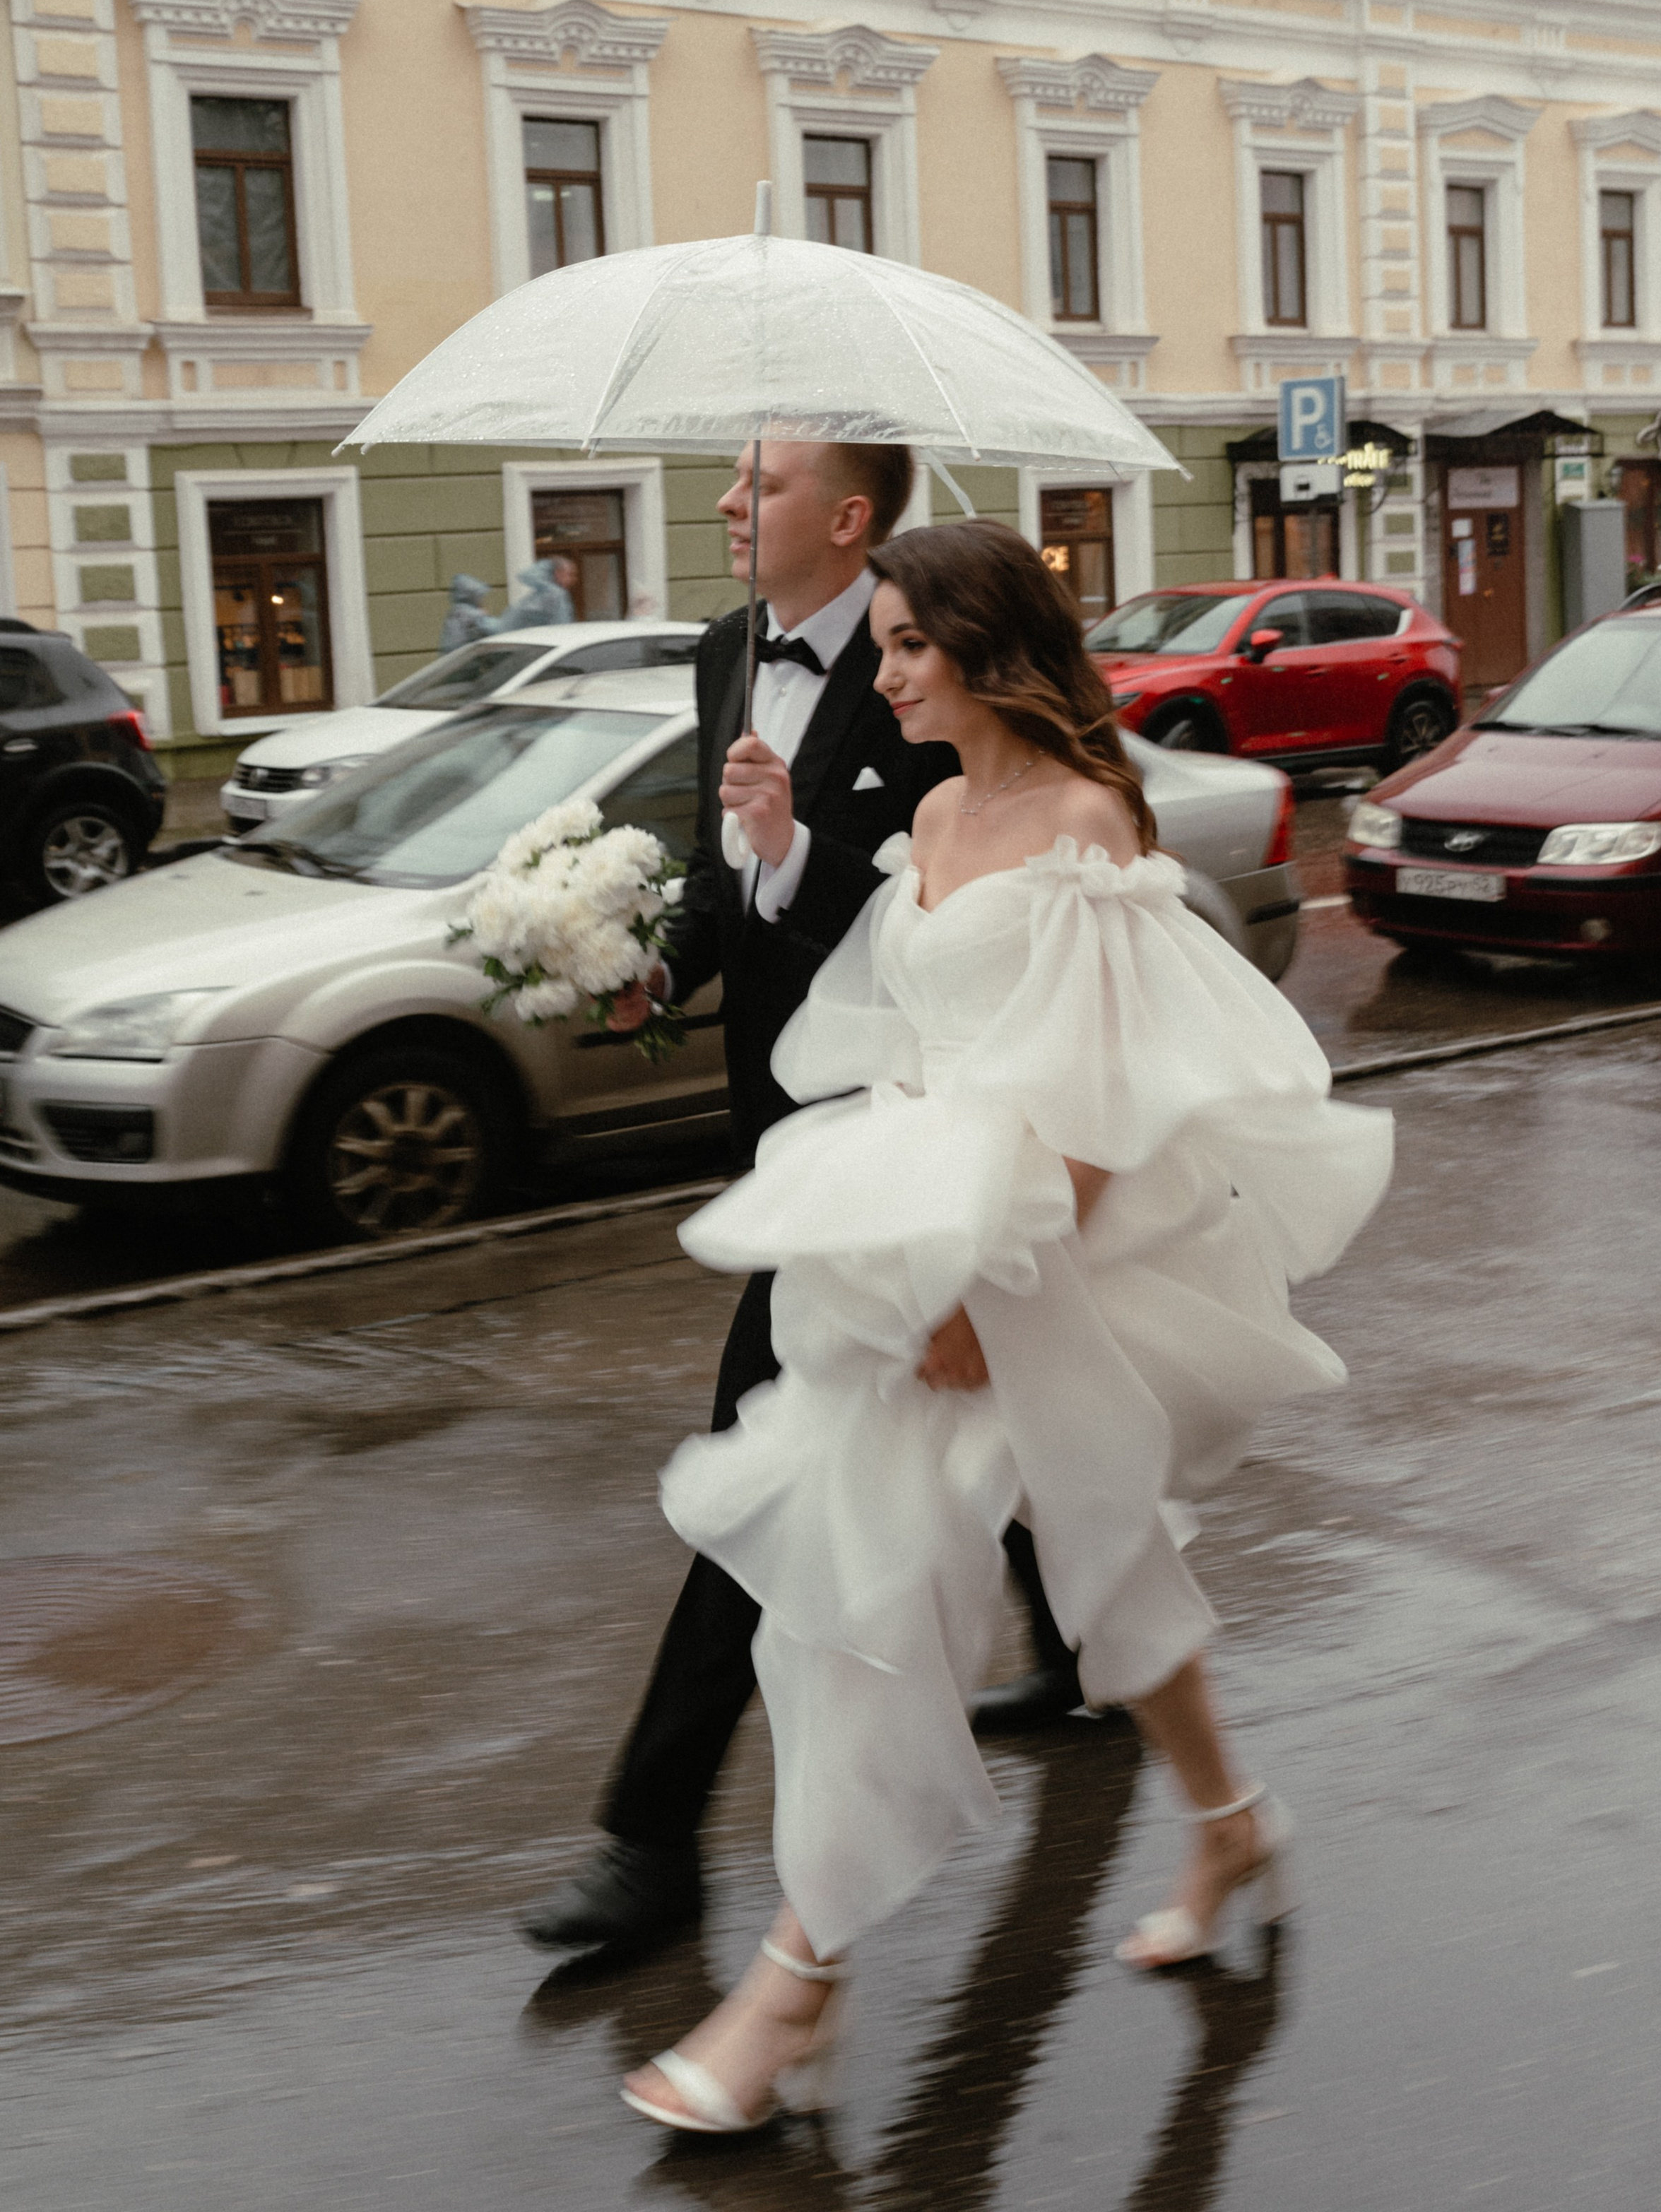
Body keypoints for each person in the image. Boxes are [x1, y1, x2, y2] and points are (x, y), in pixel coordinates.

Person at [617, 520, 1393, 2136]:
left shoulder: (1086, 818)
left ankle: (792, 1985)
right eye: (881, 644)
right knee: (1084, 1568)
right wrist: (766, 841)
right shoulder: (929, 814)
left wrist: (985, 1290)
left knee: (877, 1591)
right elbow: (902, 1021)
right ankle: (1230, 1817)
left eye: (907, 644)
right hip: (910, 1232)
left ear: (982, 644)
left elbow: (1104, 1099)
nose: (884, 672)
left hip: (1029, 1253)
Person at [519, 440, 965, 1964]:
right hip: (779, 1136)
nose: (722, 505)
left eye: (755, 483)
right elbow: (728, 887)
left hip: (900, 1144)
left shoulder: (937, 659)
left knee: (749, 1475)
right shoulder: (728, 647)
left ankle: (652, 1843)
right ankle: (1115, 1657)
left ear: (845, 518)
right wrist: (664, 968)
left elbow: (959, 911)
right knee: (1020, 1418)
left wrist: (795, 847)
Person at [494, 556, 575, 632]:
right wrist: (550, 564)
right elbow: (561, 628)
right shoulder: (555, 595)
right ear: (558, 573)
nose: (572, 580)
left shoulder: (539, 595)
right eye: (569, 574)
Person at [437, 574, 495, 652]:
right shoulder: (473, 615)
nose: (482, 601)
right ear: (473, 596)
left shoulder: (455, 612)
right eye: (480, 597)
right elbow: (499, 629)